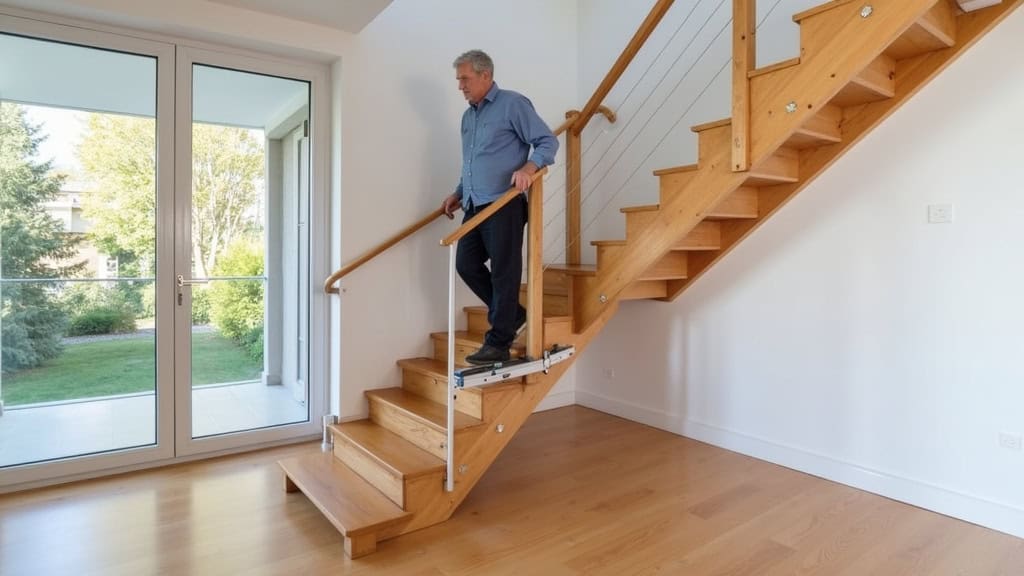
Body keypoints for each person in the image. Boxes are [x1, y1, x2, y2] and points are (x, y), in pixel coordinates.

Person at [441, 50, 558, 365]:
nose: (460, 86)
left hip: (503, 203)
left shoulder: (513, 104)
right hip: (474, 204)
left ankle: (499, 341)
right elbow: (472, 162)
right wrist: (458, 192)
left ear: (485, 75)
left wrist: (530, 169)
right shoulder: (469, 117)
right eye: (459, 80)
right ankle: (515, 315)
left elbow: (548, 141)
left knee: (505, 273)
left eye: (464, 78)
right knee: (466, 263)